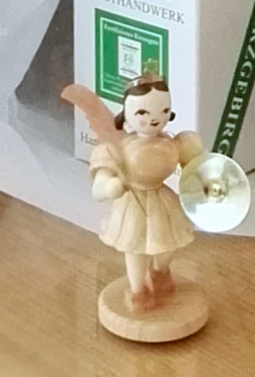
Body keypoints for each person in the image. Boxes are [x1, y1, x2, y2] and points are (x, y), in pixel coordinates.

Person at [82, 73, 205, 313]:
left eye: (163, 111)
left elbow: (195, 169)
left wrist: (202, 179)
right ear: (127, 114)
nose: (153, 119)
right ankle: (137, 290)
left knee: (168, 243)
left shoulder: (174, 143)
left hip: (162, 199)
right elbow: (98, 188)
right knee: (135, 246)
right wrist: (109, 186)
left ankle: (159, 271)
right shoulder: (119, 149)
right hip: (132, 201)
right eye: (142, 113)